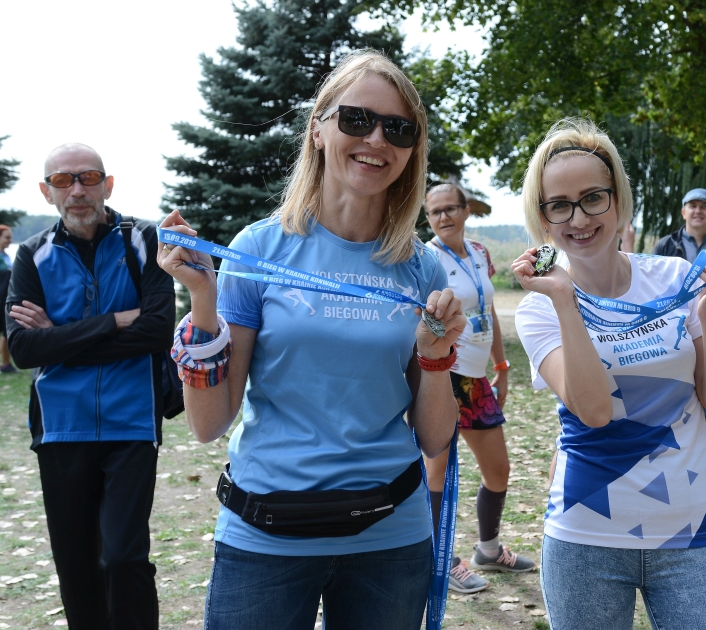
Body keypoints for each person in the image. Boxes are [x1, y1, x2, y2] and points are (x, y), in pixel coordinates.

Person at [157, 50, 466, 630]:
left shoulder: (421, 267)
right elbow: (209, 422)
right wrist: (202, 300)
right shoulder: (257, 249)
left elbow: (434, 438)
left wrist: (435, 358)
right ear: (318, 130)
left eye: (398, 129)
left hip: (389, 536)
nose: (376, 139)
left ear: (411, 151)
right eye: (357, 119)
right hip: (266, 535)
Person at [513, 118, 706, 630]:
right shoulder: (540, 308)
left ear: (618, 200)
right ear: (543, 218)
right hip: (586, 530)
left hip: (691, 527)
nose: (579, 218)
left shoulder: (676, 280)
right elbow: (594, 410)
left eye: (593, 198)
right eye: (559, 205)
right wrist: (566, 300)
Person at [5, 143, 175, 628]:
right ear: (47, 192)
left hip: (132, 422)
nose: (77, 190)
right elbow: (24, 349)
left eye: (88, 177)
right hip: (60, 427)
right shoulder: (32, 255)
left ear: (108, 185)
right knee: (76, 566)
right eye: (63, 181)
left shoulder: (143, 240)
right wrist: (114, 321)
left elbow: (157, 330)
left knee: (123, 557)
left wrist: (58, 339)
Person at [422, 182, 535, 594]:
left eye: (451, 208)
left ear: (466, 210)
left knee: (498, 469)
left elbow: (488, 310)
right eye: (435, 212)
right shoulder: (426, 258)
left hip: (476, 378)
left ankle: (488, 550)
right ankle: (441, 561)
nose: (444, 217)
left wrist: (501, 366)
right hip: (443, 374)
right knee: (437, 472)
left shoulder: (480, 252)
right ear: (427, 218)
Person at [652, 188, 706, 455]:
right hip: (674, 335)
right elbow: (655, 293)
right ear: (683, 212)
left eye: (704, 206)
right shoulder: (665, 245)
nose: (698, 210)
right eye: (693, 205)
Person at [0, 224, 14, 372]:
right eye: (7, 237)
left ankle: (5, 364)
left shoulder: (6, 256)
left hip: (6, 300)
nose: (10, 240)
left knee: (7, 331)